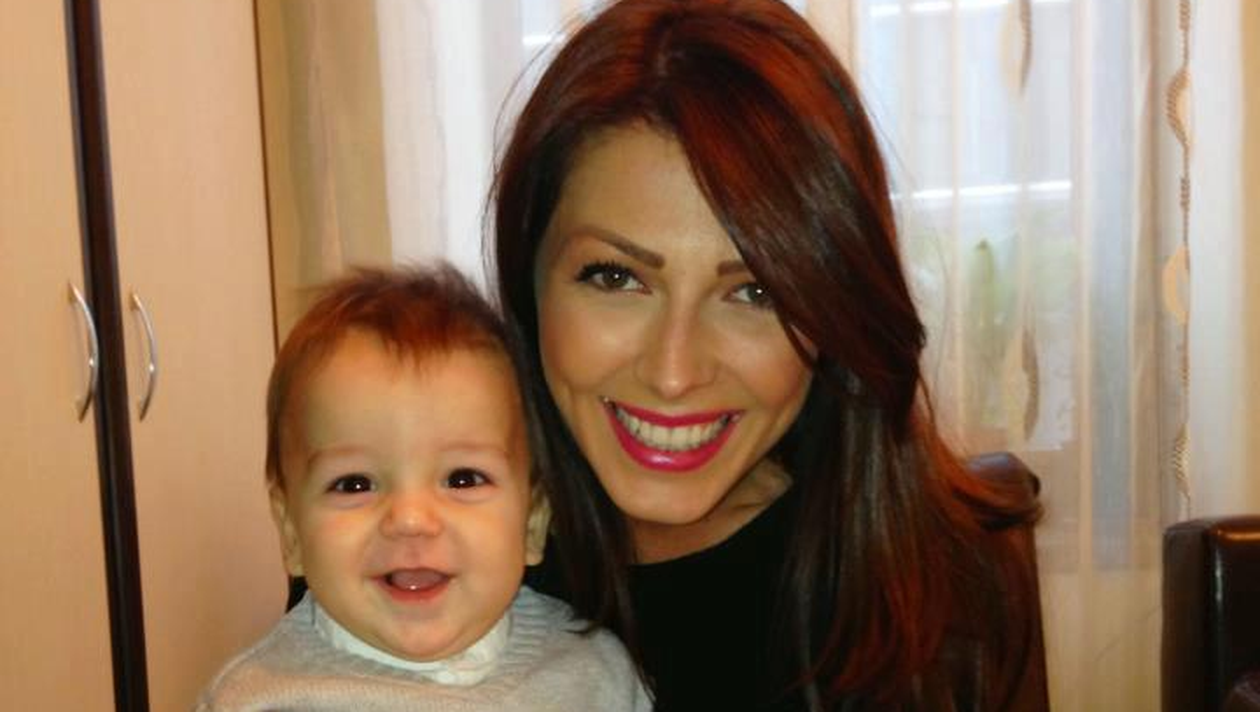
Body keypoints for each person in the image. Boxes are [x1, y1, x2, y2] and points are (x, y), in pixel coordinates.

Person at [491, 1, 1045, 710]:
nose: (674, 372)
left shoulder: (947, 600)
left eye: (756, 292)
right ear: (529, 282)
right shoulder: (411, 564)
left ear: (833, 310)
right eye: (615, 277)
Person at [195, 266, 650, 711]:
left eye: (463, 478)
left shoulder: (595, 676)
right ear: (291, 531)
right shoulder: (256, 700)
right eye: (354, 484)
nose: (411, 519)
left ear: (532, 522)